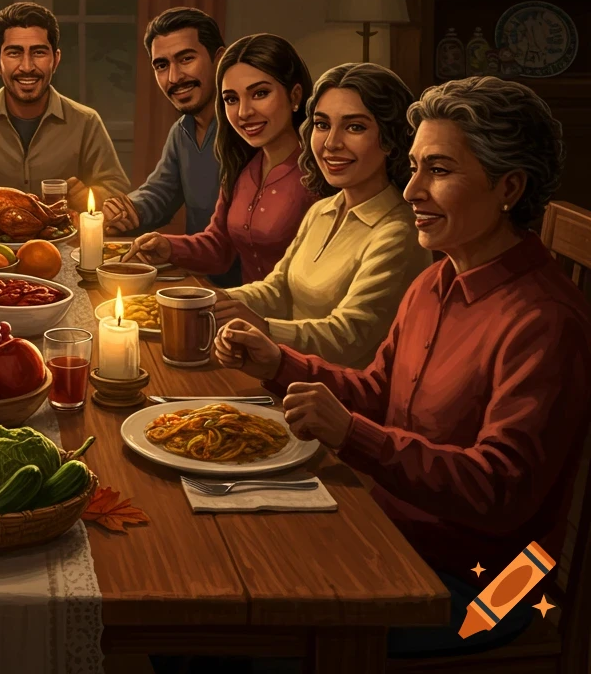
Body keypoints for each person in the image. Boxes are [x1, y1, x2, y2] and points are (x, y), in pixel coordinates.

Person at [215, 76, 590, 658]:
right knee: (220, 564)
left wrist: (352, 434)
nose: (411, 189)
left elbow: (499, 492)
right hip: (392, 534)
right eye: (413, 167)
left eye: (438, 170)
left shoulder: (547, 321)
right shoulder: (435, 279)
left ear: (509, 187)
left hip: (494, 586)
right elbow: (377, 389)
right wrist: (279, 362)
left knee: (243, 620)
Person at [213, 63, 431, 366]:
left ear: (391, 140)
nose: (331, 144)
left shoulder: (400, 231)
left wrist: (263, 329)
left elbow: (348, 336)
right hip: (289, 375)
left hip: (341, 398)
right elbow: (278, 290)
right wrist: (217, 301)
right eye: (322, 124)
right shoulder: (322, 210)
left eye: (354, 127)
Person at [125, 33, 316, 284]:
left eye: (259, 93)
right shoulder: (240, 168)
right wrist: (167, 246)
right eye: (231, 99)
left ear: (294, 96)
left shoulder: (319, 175)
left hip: (287, 320)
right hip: (242, 313)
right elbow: (219, 248)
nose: (244, 113)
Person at [0, 1, 131, 206]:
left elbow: (117, 189)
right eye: (14, 53)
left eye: (38, 52)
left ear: (55, 60)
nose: (27, 67)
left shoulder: (86, 121)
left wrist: (91, 196)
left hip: (60, 238)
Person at [101, 6, 240, 287]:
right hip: (197, 278)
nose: (174, 78)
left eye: (186, 59)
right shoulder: (182, 130)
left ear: (220, 59)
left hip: (246, 289)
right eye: (161, 65)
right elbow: (160, 193)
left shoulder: (247, 129)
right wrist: (130, 210)